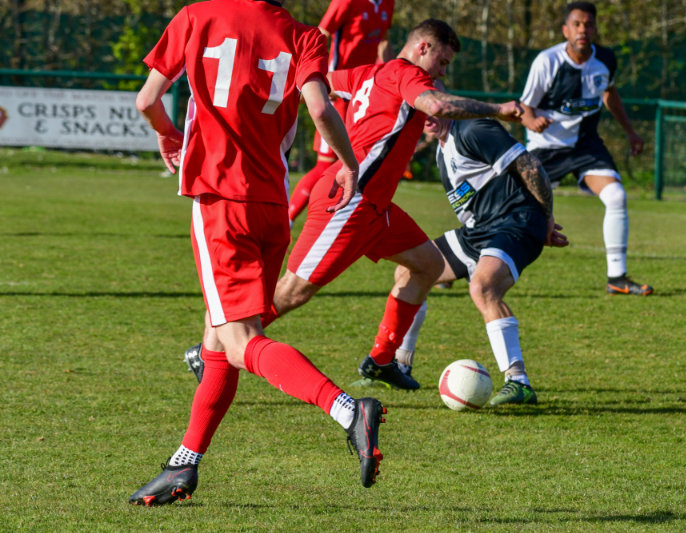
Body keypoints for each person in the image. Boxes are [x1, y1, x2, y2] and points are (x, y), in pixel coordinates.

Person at [129, 0, 386, 507]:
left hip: (220, 201)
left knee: (240, 340)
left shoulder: (197, 16)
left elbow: (147, 100)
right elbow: (320, 109)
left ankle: (347, 410)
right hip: (270, 205)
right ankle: (184, 464)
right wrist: (348, 163)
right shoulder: (305, 35)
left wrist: (167, 133)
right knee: (218, 340)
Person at [183, 19, 525, 390]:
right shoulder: (408, 74)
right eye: (442, 62)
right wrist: (498, 109)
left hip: (375, 206)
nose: (443, 72)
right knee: (293, 291)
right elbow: (437, 105)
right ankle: (210, 350)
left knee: (428, 265)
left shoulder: (368, 73)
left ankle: (381, 360)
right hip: (349, 201)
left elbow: (316, 84)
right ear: (423, 47)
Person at [391, 114, 568, 405]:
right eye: (420, 108)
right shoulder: (442, 152)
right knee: (409, 271)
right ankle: (399, 365)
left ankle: (518, 381)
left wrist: (546, 217)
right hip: (480, 232)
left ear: (447, 101)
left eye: (432, 102)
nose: (428, 115)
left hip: (516, 221)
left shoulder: (473, 129)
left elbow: (531, 166)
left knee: (483, 287)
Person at [519, 1, 653, 296]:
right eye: (577, 24)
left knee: (616, 196)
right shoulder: (547, 61)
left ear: (595, 29)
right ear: (565, 30)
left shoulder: (605, 59)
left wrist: (630, 132)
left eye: (588, 24)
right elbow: (524, 106)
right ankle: (457, 263)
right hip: (546, 148)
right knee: (508, 203)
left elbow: (610, 94)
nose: (583, 30)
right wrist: (532, 121)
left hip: (585, 147)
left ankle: (617, 278)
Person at [287, 0, 395, 224]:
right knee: (325, 164)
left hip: (362, 92)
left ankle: (340, 221)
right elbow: (321, 34)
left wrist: (392, 75)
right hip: (336, 91)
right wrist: (318, 78)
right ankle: (287, 219)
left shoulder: (388, 3)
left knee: (354, 160)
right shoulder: (347, 1)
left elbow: (384, 41)